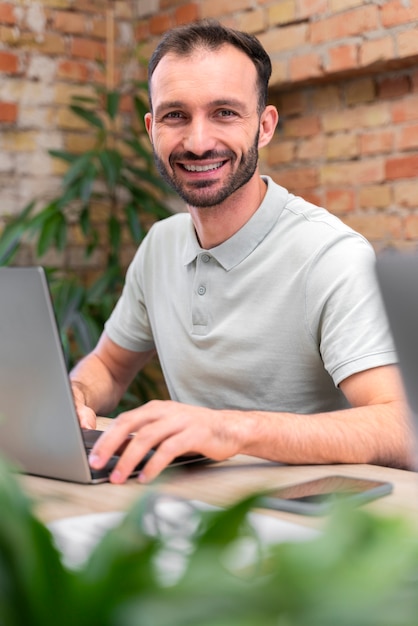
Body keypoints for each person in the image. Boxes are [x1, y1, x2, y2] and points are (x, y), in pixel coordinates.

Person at [70, 19, 414, 484]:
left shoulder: (331, 255)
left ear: (265, 126)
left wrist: (232, 428)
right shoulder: (160, 244)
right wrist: (75, 393)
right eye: (175, 115)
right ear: (152, 128)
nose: (197, 141)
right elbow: (109, 367)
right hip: (190, 509)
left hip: (304, 527)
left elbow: (400, 425)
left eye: (225, 113)